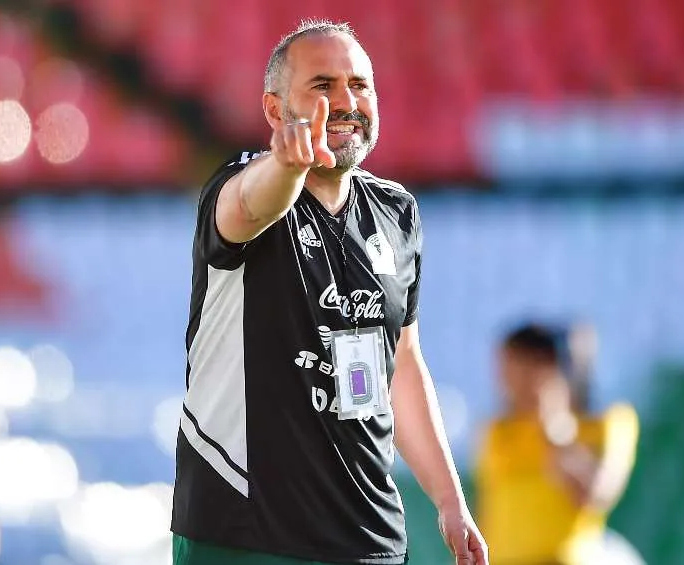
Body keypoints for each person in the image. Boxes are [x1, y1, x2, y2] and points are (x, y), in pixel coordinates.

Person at [171, 18, 487, 565]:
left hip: (369, 538)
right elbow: (250, 206)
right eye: (322, 86)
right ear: (274, 110)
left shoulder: (396, 212)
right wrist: (288, 168)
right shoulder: (242, 184)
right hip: (245, 535)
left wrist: (449, 500)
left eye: (359, 84)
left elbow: (402, 363)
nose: (345, 101)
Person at [474, 322, 641, 565]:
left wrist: (556, 429)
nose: (507, 382)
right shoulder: (498, 431)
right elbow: (490, 511)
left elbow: (596, 494)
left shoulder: (607, 422)